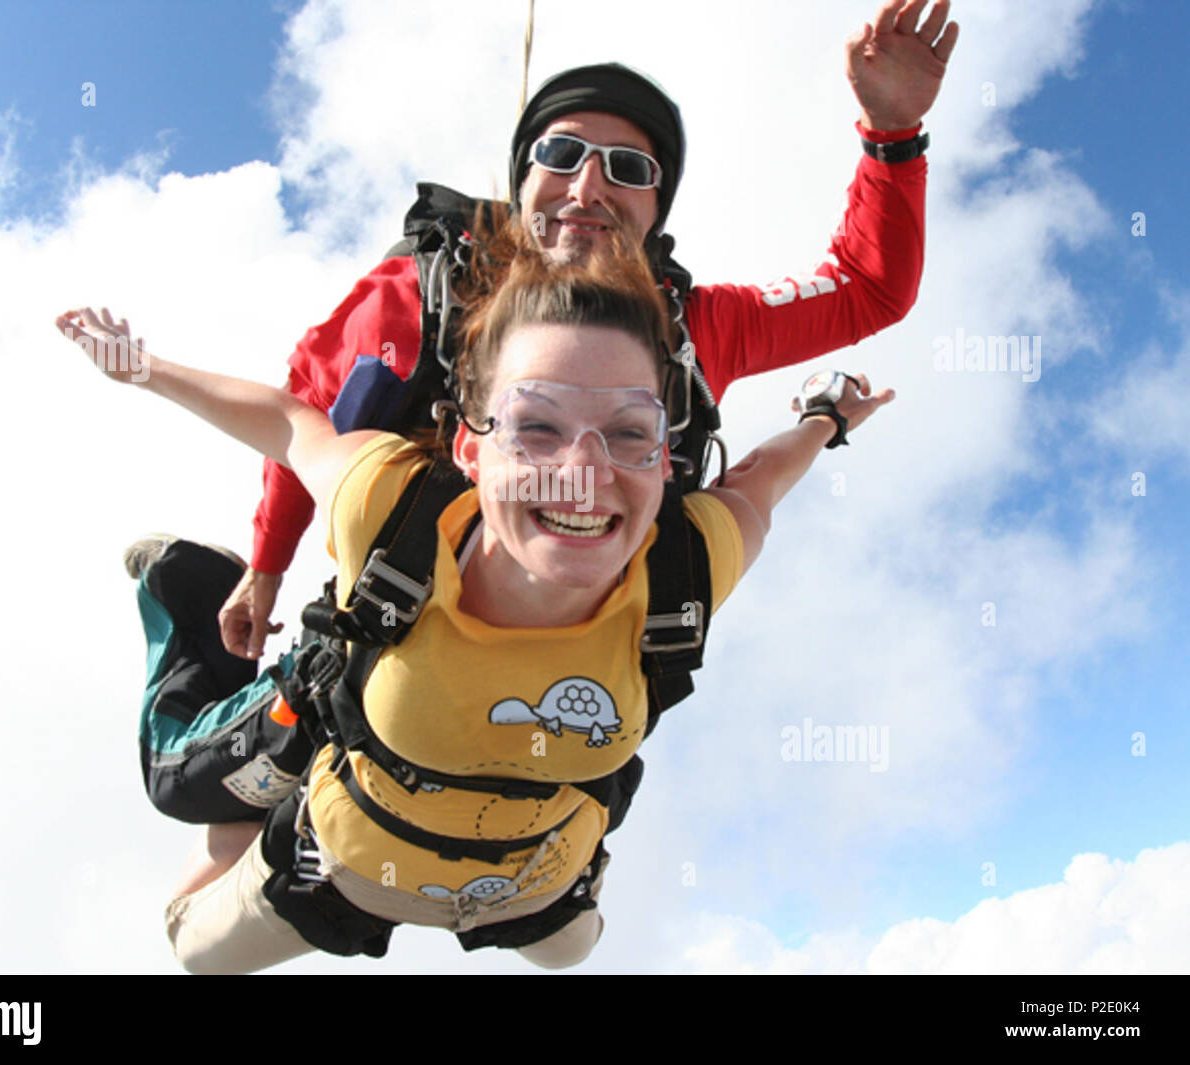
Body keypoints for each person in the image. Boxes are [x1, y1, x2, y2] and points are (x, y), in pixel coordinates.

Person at [55, 228, 895, 971]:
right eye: (537, 425)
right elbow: (288, 421)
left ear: (664, 461)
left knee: (570, 951)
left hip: (526, 878)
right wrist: (143, 370)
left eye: (631, 431)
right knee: (193, 938)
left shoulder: (682, 569)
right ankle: (187, 584)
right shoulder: (390, 506)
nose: (583, 468)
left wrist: (827, 417)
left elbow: (762, 477)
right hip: (342, 862)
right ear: (469, 445)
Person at [221, 0, 958, 665]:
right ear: (523, 179)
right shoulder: (426, 294)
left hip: (579, 697)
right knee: (223, 789)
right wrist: (266, 568)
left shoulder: (695, 326)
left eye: (628, 167)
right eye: (562, 154)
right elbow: (300, 414)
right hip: (380, 658)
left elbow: (867, 290)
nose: (587, 187)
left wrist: (893, 136)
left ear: (656, 206)